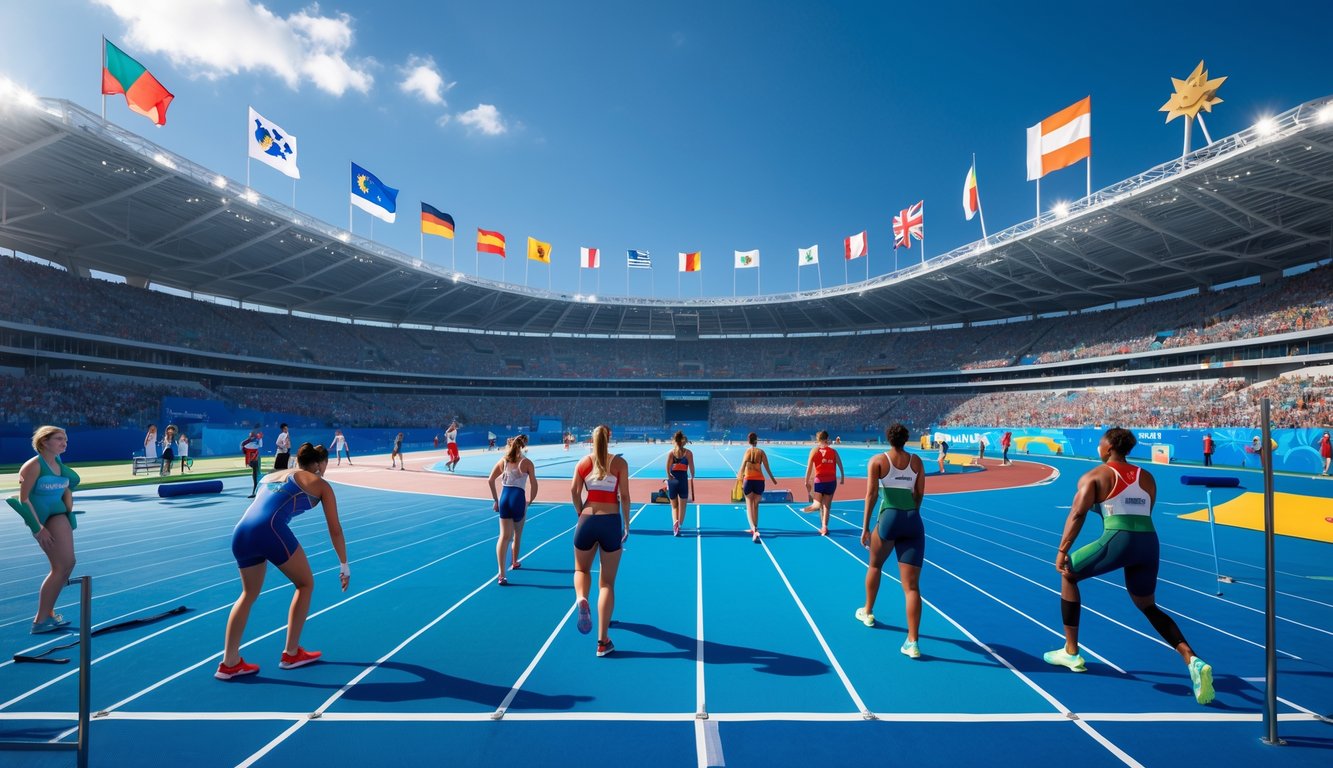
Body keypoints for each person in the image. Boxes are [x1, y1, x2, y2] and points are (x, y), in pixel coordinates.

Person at [1045, 428, 1215, 705]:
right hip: (1149, 543)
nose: (1098, 447)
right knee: (1147, 605)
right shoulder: (1146, 476)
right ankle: (1192, 659)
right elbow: (1145, 512)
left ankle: (1071, 651)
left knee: (1069, 574)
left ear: (1109, 446)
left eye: (1101, 442)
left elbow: (1077, 514)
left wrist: (1063, 550)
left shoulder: (1094, 476)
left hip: (1118, 539)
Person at [217, 442, 350, 680]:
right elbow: (335, 530)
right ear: (320, 464)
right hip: (269, 530)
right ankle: (291, 653)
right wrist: (344, 564)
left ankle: (229, 662)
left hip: (241, 532)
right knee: (305, 584)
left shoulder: (271, 476)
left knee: (247, 594)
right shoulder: (320, 484)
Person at [857, 423, 926, 659]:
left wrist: (865, 527)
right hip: (913, 520)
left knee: (875, 565)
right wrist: (911, 513)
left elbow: (872, 495)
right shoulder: (916, 462)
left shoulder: (878, 460)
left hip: (889, 517)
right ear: (906, 439)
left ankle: (867, 612)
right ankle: (913, 642)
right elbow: (919, 494)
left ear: (888, 438)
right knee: (912, 587)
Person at [6, 426, 80, 634]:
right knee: (59, 567)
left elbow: (65, 489)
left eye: (65, 439)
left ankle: (48, 614)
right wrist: (38, 528)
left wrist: (69, 513)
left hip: (58, 515)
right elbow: (24, 499)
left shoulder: (58, 462)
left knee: (69, 563)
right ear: (44, 442)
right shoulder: (33, 466)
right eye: (59, 439)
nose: (64, 442)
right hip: (41, 520)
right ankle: (40, 620)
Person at [570, 425, 631, 657]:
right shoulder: (620, 464)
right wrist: (627, 523)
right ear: (610, 438)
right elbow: (624, 496)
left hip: (586, 520)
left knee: (581, 569)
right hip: (610, 521)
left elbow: (575, 492)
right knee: (606, 583)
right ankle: (602, 641)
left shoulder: (583, 463)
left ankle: (581, 598)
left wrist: (580, 512)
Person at [488, 434, 538, 585]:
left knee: (503, 537)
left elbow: (490, 480)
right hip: (518, 499)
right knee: (517, 535)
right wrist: (530, 500)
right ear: (522, 446)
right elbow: (535, 484)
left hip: (504, 498)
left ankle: (501, 574)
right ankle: (514, 561)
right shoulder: (527, 462)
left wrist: (496, 500)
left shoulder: (503, 461)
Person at [801, 430, 845, 536]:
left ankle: (806, 509)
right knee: (826, 506)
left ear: (818, 440)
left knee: (817, 504)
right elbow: (840, 464)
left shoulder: (814, 451)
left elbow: (809, 467)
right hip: (831, 481)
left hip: (820, 481)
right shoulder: (833, 452)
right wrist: (842, 477)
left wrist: (806, 481)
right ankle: (824, 527)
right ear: (827, 438)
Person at [737, 432, 777, 543]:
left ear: (748, 441)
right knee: (756, 506)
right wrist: (773, 480)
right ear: (756, 440)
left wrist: (739, 478)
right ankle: (756, 527)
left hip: (748, 480)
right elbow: (767, 468)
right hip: (759, 481)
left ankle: (753, 529)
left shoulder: (748, 452)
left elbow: (742, 466)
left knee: (749, 505)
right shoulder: (761, 452)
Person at [664, 430, 695, 537]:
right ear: (684, 442)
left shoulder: (671, 453)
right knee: (683, 506)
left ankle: (675, 524)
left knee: (674, 507)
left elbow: (667, 468)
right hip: (683, 481)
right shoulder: (688, 453)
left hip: (673, 481)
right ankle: (679, 526)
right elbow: (692, 469)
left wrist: (669, 477)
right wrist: (692, 476)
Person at [240, 430, 263, 498]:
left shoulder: (255, 443)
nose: (251, 437)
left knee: (256, 475)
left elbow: (260, 445)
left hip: (255, 460)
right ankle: (256, 491)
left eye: (252, 436)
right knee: (255, 475)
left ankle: (255, 492)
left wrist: (260, 438)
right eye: (250, 436)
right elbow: (242, 445)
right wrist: (257, 438)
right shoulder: (248, 443)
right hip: (252, 460)